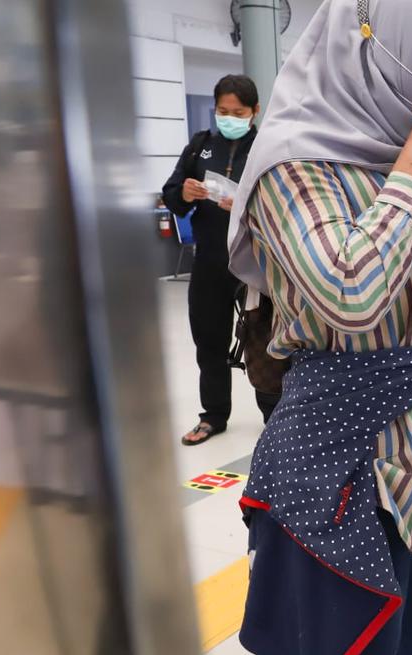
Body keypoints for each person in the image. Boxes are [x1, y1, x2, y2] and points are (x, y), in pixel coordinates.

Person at [223, 0, 412, 655]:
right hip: (340, 469)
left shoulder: (405, 156)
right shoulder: (294, 164)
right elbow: (347, 296)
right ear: (379, 51)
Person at [162, 74, 278, 445]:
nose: (229, 118)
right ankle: (213, 415)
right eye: (222, 111)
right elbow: (171, 194)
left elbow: (283, 204)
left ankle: (273, 417)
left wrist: (245, 205)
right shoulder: (200, 146)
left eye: (238, 112)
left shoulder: (267, 147)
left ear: (255, 111)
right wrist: (185, 192)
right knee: (208, 340)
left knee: (263, 341)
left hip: (255, 265)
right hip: (210, 261)